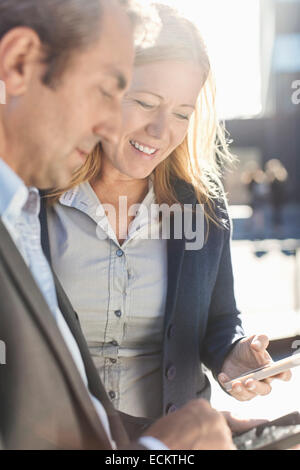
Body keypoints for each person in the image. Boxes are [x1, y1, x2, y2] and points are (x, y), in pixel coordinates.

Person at [0, 0, 238, 451]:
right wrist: (159, 454)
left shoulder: (19, 211)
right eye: (111, 91)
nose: (111, 124)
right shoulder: (31, 208)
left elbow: (220, 321)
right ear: (18, 62)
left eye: (183, 113)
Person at [43, 3, 291, 422]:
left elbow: (219, 320)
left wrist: (234, 357)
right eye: (144, 102)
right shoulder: (32, 196)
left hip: (169, 440)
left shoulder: (202, 206)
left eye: (181, 114)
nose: (161, 131)